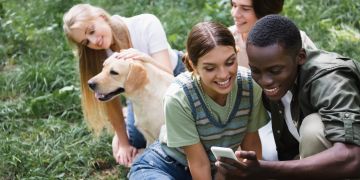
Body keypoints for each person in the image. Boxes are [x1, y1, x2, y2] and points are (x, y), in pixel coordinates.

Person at [216, 15, 360, 179]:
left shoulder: (330, 79)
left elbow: (352, 157)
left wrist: (266, 169)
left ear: (300, 57)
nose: (265, 81)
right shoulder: (277, 85)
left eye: (275, 70)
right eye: (256, 70)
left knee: (313, 128)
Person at [127, 21, 269, 179]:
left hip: (215, 169)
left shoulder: (250, 86)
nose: (223, 75)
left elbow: (251, 147)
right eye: (210, 68)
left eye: (230, 62)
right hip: (165, 166)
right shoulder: (179, 97)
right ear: (193, 65)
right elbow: (198, 162)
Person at [62, 3, 185, 167]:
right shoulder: (99, 53)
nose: (94, 42)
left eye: (91, 31)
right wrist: (124, 142)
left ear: (102, 17)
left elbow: (169, 78)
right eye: (86, 42)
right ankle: (129, 119)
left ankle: (131, 117)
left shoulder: (146, 24)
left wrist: (144, 58)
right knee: (135, 140)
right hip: (135, 90)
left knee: (176, 130)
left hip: (172, 75)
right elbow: (109, 98)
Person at [229, 0, 318, 160]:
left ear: (265, 10)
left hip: (294, 112)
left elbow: (317, 76)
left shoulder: (292, 40)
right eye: (234, 5)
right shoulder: (229, 43)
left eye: (245, 8)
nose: (235, 14)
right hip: (252, 116)